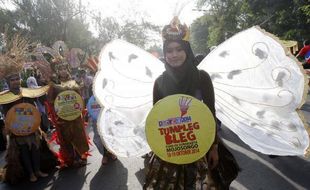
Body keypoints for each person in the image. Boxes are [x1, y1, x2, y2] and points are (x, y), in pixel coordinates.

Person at [143, 17, 239, 190]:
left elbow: (210, 114)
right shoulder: (159, 82)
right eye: (169, 51)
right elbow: (157, 119)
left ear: (187, 50)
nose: (174, 55)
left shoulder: (202, 77)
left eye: (179, 49)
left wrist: (214, 147)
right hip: (171, 146)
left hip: (200, 145)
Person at [0, 37, 57, 183]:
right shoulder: (4, 98)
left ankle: (38, 170)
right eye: (12, 79)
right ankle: (31, 173)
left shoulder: (27, 92)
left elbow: (35, 106)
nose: (15, 81)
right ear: (8, 82)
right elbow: (6, 114)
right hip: (17, 130)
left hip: (32, 127)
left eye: (17, 78)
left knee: (36, 148)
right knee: (24, 151)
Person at [46, 56, 90, 168]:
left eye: (65, 68)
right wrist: (57, 114)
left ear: (68, 69)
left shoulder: (74, 83)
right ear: (57, 71)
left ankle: (81, 156)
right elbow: (50, 101)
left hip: (75, 116)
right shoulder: (54, 85)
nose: (63, 71)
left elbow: (79, 98)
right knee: (67, 138)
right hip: (63, 117)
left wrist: (81, 110)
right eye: (60, 69)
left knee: (79, 135)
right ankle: (72, 158)